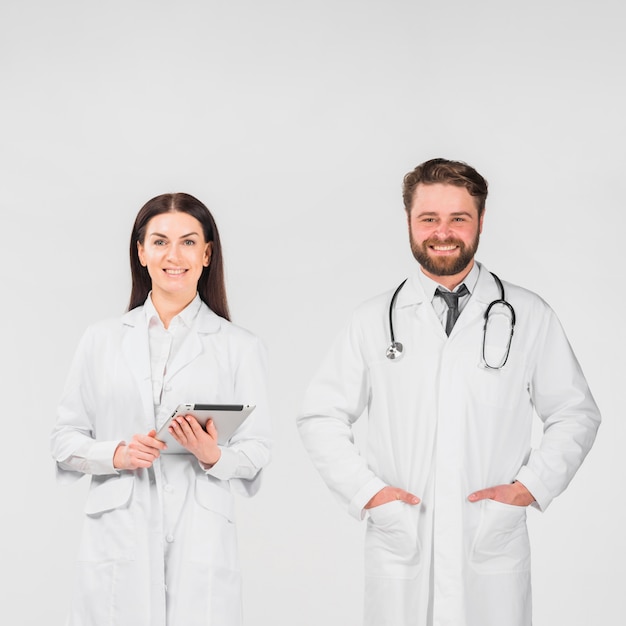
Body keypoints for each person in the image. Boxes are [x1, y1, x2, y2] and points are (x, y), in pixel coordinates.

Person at [297, 158, 600, 626]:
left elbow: (575, 413)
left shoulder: (529, 314)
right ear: (409, 223)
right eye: (429, 218)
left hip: (489, 540)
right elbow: (320, 416)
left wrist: (529, 488)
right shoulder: (372, 320)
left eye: (458, 217)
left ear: (480, 220)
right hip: (403, 541)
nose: (443, 232)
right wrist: (369, 493)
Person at [51, 192, 272, 626]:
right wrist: (114, 455)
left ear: (207, 254)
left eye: (189, 242)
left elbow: (258, 449)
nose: (174, 255)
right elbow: (63, 440)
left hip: (201, 536)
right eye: (159, 241)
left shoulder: (239, 347)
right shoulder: (101, 340)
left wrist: (213, 456)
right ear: (141, 251)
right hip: (118, 534)